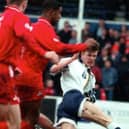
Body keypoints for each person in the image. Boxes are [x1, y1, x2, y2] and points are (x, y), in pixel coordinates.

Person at [14, 0, 96, 129]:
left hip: (17, 75)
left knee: (25, 114)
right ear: (51, 12)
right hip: (31, 79)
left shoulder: (33, 26)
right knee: (31, 117)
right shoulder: (44, 27)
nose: (60, 17)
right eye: (59, 13)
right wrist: (83, 46)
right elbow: (59, 48)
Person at [0, 0, 59, 129]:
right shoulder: (20, 20)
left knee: (21, 117)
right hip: (22, 78)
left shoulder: (3, 18)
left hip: (15, 75)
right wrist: (45, 54)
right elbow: (25, 38)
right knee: (23, 119)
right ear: (25, 3)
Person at [50, 38, 122, 129]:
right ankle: (114, 126)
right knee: (106, 120)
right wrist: (71, 59)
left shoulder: (92, 77)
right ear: (82, 53)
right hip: (71, 97)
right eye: (89, 55)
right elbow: (52, 70)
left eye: (94, 56)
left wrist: (90, 99)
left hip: (70, 107)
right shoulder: (72, 62)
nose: (91, 58)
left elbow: (88, 100)